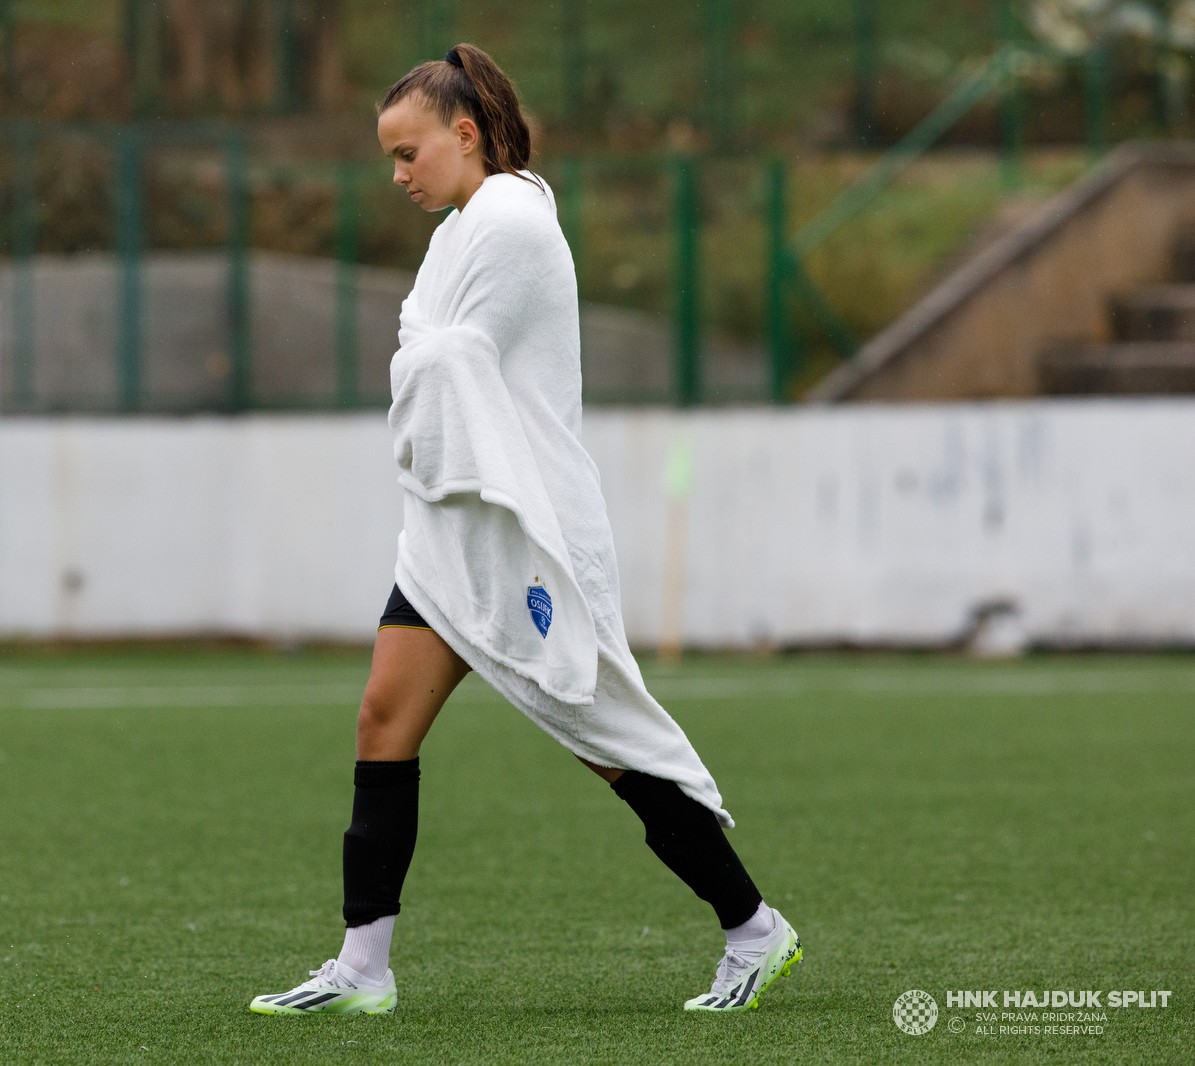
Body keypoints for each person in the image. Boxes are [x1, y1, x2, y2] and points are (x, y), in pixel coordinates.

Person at [250, 43, 799, 1018]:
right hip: (452, 530)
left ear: (465, 135)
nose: (397, 174)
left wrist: (421, 367)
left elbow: (445, 356)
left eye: (408, 151)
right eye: (389, 156)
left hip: (524, 528)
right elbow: (433, 350)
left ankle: (754, 928)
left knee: (611, 743)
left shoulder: (505, 219)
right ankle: (362, 967)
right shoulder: (460, 228)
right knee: (384, 717)